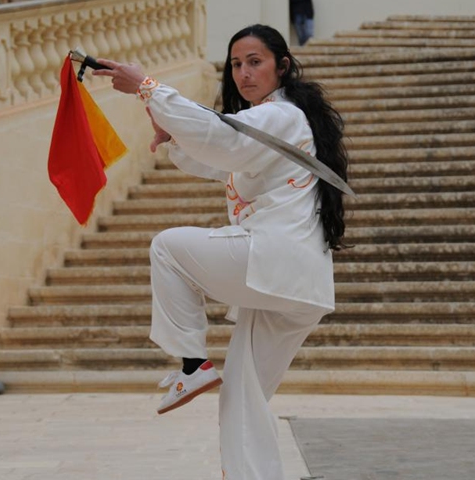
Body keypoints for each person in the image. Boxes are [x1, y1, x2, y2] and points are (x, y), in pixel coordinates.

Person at [93, 23, 348, 480]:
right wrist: (174, 136)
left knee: (168, 247)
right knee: (243, 398)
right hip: (295, 284)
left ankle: (192, 362)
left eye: (255, 62)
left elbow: (223, 138)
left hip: (275, 261)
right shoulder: (274, 122)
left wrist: (146, 88)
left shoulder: (281, 114)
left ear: (282, 67)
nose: (244, 73)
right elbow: (224, 155)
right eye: (235, 64)